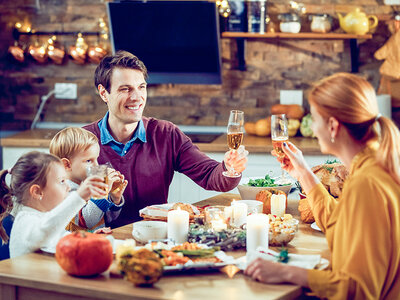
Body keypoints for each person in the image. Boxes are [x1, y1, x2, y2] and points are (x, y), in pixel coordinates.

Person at [245, 72, 400, 299]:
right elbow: (340, 224)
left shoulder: (366, 183)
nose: (314, 129)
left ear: (333, 126)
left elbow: (358, 289)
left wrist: (287, 272)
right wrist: (304, 173)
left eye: (315, 119)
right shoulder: (372, 163)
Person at [83, 50, 248, 228]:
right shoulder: (82, 142)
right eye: (125, 89)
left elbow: (210, 175)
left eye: (141, 87)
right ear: (103, 93)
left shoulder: (166, 134)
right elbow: (64, 207)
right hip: (103, 243)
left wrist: (230, 169)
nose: (137, 97)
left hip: (156, 239)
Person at [0, 151, 108, 258]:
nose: (68, 187)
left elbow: (63, 239)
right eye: (62, 181)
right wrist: (79, 197)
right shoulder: (24, 220)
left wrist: (89, 238)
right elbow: (45, 231)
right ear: (37, 192)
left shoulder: (46, 218)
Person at [49, 127, 128, 232]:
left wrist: (114, 198)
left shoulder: (90, 184)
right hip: (76, 245)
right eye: (89, 161)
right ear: (66, 165)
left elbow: (108, 218)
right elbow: (87, 221)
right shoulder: (63, 192)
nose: (97, 165)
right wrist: (103, 192)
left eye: (96, 159)